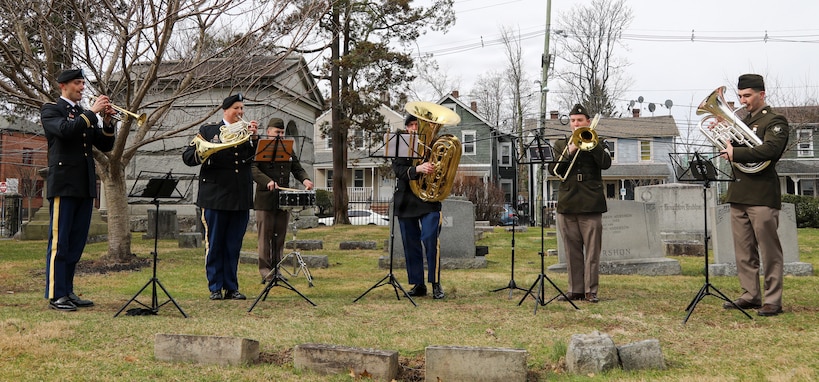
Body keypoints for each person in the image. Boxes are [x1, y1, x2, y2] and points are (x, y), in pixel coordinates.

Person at [41, 69, 117, 311]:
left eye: (83, 83)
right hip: (64, 184)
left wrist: (107, 122)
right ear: (63, 85)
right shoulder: (51, 110)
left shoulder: (83, 114)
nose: (83, 87)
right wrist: (92, 112)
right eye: (78, 83)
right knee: (60, 242)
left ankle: (68, 291)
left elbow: (105, 144)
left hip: (84, 185)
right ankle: (56, 295)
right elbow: (66, 131)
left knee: (76, 243)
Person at [717, 74, 789, 317]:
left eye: (747, 96)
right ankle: (750, 294)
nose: (742, 101)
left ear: (762, 94)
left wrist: (735, 153)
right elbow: (731, 151)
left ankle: (773, 300)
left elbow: (770, 150)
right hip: (739, 192)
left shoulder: (775, 120)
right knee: (744, 250)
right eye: (740, 96)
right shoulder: (742, 122)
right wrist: (723, 139)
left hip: (762, 194)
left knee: (769, 251)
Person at [183, 93, 258, 301]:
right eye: (236, 108)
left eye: (242, 108)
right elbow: (188, 157)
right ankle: (215, 287)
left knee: (233, 245)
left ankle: (231, 287)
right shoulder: (209, 130)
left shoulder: (246, 132)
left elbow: (254, 160)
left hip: (239, 196)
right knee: (215, 244)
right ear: (226, 110)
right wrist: (205, 153)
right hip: (215, 196)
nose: (240, 112)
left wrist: (254, 138)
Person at [548, 103, 612, 303]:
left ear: (588, 121)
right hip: (568, 203)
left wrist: (592, 144)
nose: (576, 124)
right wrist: (570, 150)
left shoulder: (599, 141)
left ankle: (590, 291)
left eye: (580, 120)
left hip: (591, 203)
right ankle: (575, 290)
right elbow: (553, 170)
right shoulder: (561, 144)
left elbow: (606, 163)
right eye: (573, 121)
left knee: (592, 251)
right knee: (571, 250)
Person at [252, 117, 313, 282]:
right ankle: (266, 271)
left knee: (279, 237)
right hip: (265, 199)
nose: (279, 135)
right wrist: (267, 181)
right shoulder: (259, 147)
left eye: (282, 133)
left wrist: (305, 180)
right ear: (268, 132)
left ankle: (277, 269)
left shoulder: (287, 149)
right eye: (276, 132)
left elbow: (297, 168)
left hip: (283, 200)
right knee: (265, 237)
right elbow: (253, 169)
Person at [392, 114, 445, 299]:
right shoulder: (400, 144)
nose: (414, 128)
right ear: (406, 128)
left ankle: (435, 283)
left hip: (429, 200)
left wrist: (434, 168)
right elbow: (398, 170)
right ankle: (418, 284)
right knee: (410, 243)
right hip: (406, 199)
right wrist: (417, 169)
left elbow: (444, 169)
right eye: (411, 125)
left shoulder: (435, 144)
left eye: (417, 124)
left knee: (430, 239)